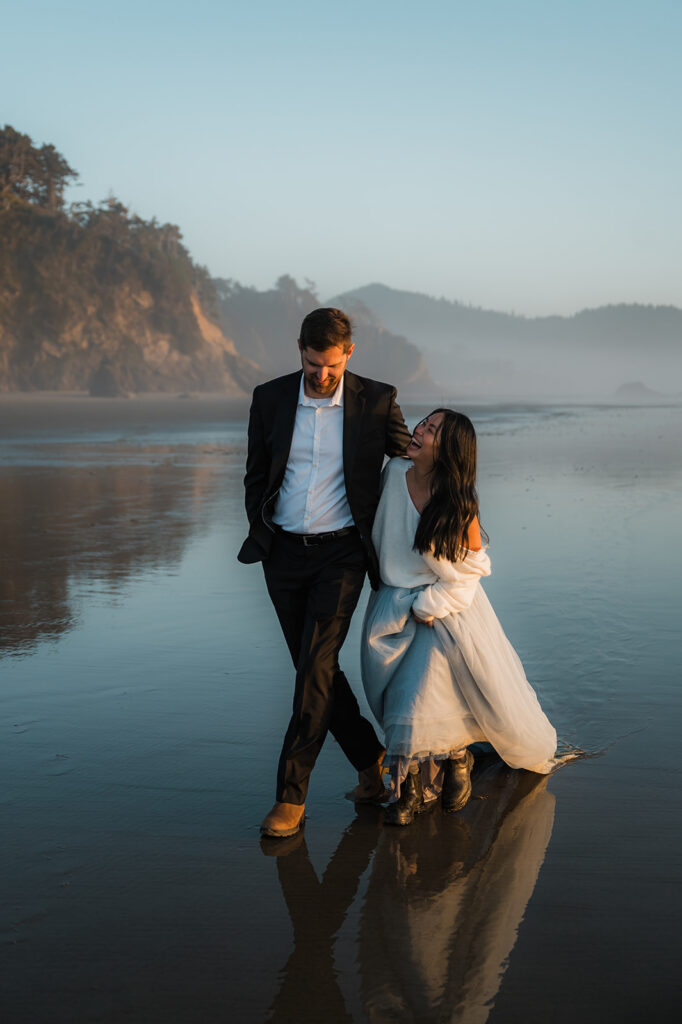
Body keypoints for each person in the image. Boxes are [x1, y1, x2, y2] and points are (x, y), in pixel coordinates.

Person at [238, 307, 412, 838]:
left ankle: (291, 797)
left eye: (331, 365)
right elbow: (255, 474)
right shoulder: (269, 399)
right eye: (314, 364)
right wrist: (263, 533)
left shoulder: (376, 401)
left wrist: (456, 498)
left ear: (349, 354)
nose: (322, 375)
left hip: (342, 556)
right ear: (300, 350)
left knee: (314, 668)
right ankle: (370, 763)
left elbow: (415, 459)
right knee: (317, 673)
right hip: (283, 555)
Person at [361, 409, 559, 825]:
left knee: (420, 690)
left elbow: (470, 574)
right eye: (423, 423)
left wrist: (426, 607)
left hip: (442, 607)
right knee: (394, 695)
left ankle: (416, 787)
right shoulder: (393, 472)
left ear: (447, 450)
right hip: (389, 605)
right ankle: (445, 764)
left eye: (431, 431)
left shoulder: (456, 502)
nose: (418, 431)